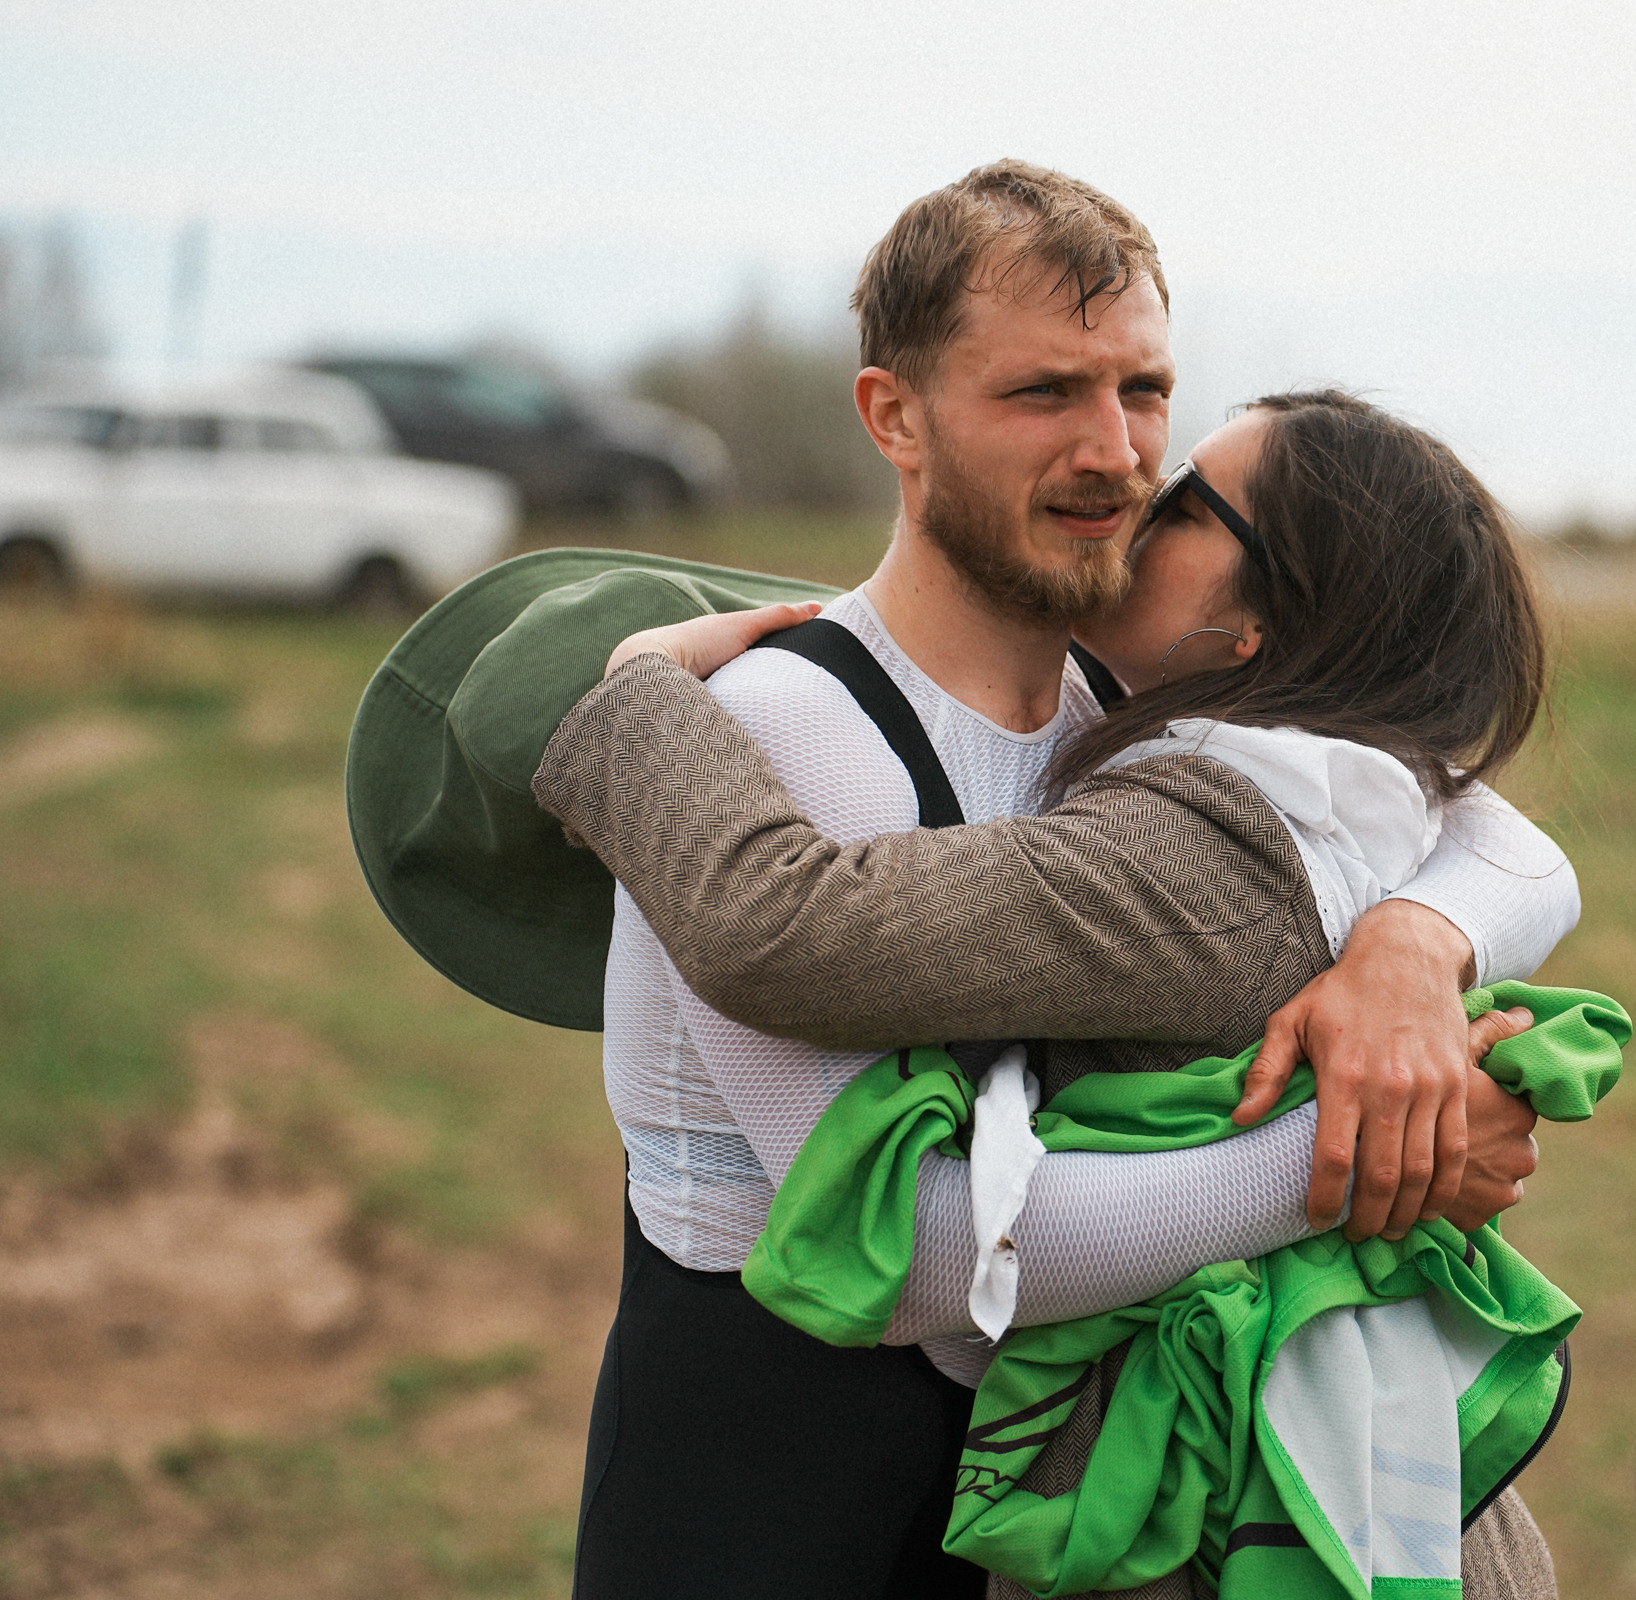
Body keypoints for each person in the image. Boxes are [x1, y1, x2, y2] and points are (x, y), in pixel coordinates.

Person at [542, 161, 1580, 1598]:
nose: (1116, 452)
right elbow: (911, 1264)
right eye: (1044, 394)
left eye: (1144, 393)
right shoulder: (786, 727)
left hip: (1030, 1495)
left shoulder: (1124, 711)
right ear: (893, 415)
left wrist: (1410, 948)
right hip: (773, 1492)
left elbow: (1472, 820)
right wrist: (1354, 1158)